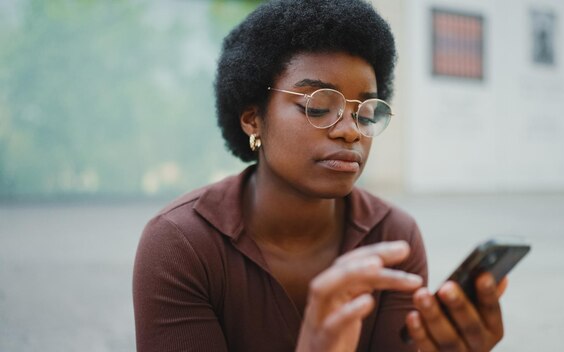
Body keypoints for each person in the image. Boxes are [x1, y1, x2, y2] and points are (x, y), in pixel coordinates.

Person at [132, 0, 508, 351]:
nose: (350, 130)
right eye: (319, 105)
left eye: (365, 111)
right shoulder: (181, 244)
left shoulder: (392, 237)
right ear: (253, 118)